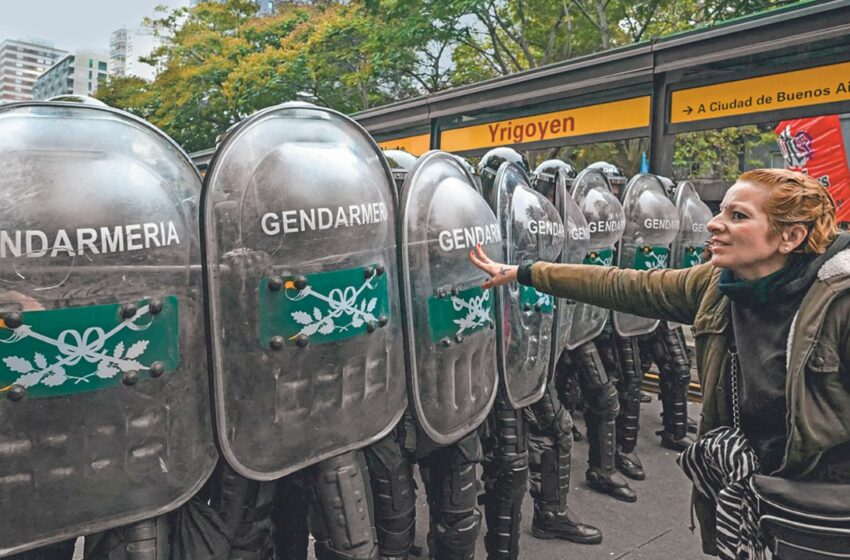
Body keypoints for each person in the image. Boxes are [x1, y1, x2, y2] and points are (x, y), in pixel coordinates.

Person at [469, 168, 850, 558]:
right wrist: (525, 272)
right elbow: (625, 284)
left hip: (824, 515)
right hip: (750, 499)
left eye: (738, 216)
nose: (714, 224)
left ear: (790, 236)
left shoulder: (841, 301)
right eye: (721, 211)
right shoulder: (718, 285)